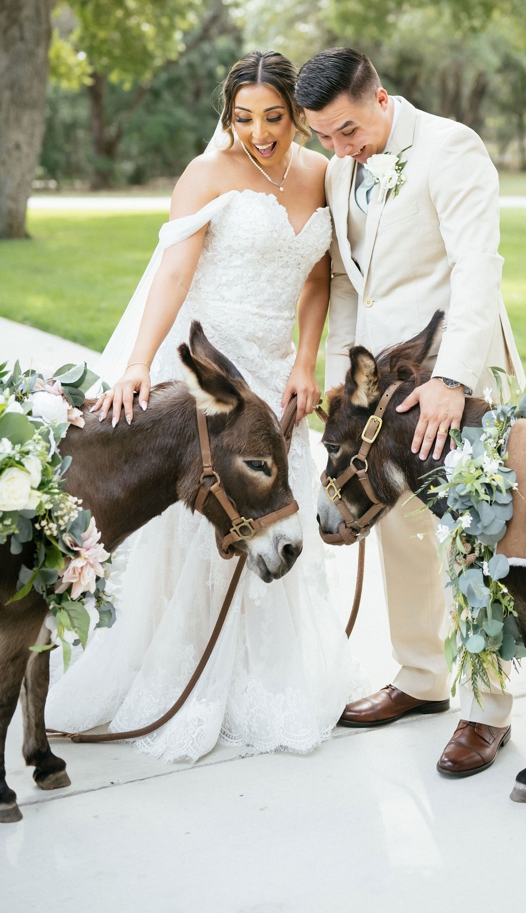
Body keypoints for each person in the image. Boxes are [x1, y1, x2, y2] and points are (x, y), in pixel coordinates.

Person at [46, 51, 362, 762]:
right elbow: (175, 272)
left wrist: (305, 361)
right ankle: (184, 674)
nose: (260, 132)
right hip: (211, 368)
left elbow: (317, 278)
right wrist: (136, 363)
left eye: (275, 117)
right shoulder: (206, 175)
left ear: (297, 114)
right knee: (201, 523)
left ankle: (265, 678)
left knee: (276, 507)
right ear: (228, 115)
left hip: (277, 374)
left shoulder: (321, 174)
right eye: (243, 118)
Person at [295, 48, 525, 778]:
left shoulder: (450, 148)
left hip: (446, 376)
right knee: (397, 527)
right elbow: (345, 281)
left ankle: (487, 709)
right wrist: (343, 391)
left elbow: (476, 266)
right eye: (323, 136)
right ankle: (422, 676)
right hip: (377, 393)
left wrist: (453, 378)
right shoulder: (339, 170)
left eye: (348, 129)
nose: (338, 147)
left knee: (473, 536)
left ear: (382, 98)